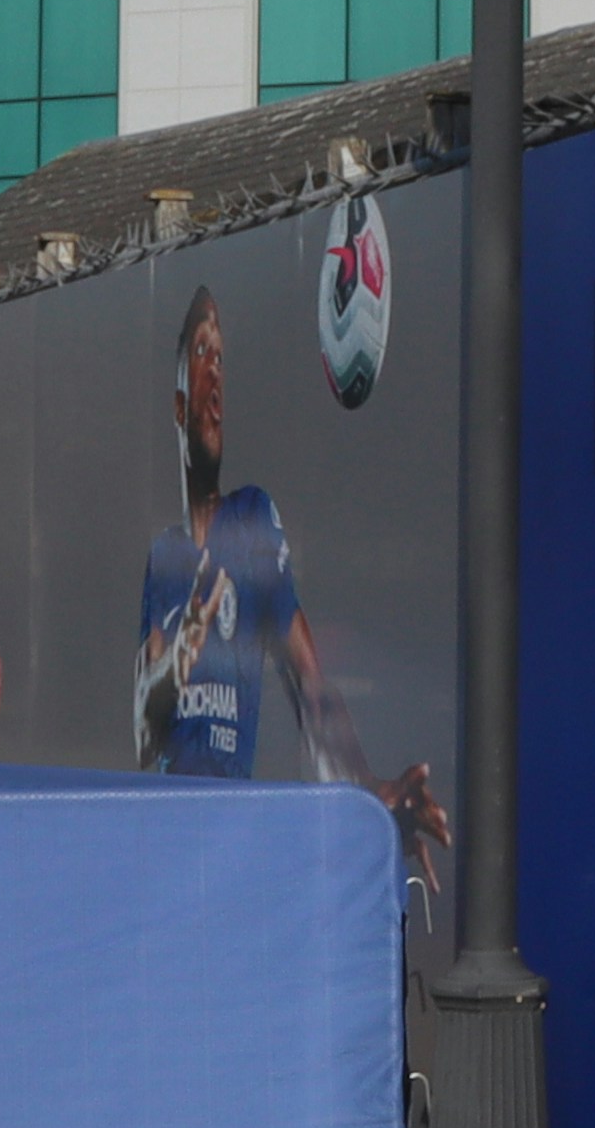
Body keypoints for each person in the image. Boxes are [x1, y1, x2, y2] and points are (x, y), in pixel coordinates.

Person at [132, 283, 446, 888]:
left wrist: (365, 788)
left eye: (223, 357)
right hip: (163, 841)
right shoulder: (165, 555)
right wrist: (178, 660)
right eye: (203, 353)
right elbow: (145, 733)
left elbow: (310, 685)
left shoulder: (249, 520)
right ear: (179, 405)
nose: (217, 373)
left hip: (230, 837)